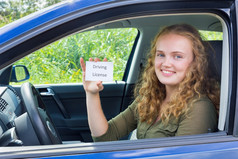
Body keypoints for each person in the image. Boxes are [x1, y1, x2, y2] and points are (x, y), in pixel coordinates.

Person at [80, 24, 220, 142]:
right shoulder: (150, 97)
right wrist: (92, 93)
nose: (166, 63)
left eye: (177, 56)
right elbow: (105, 136)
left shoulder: (199, 108)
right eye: (161, 54)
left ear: (195, 63)